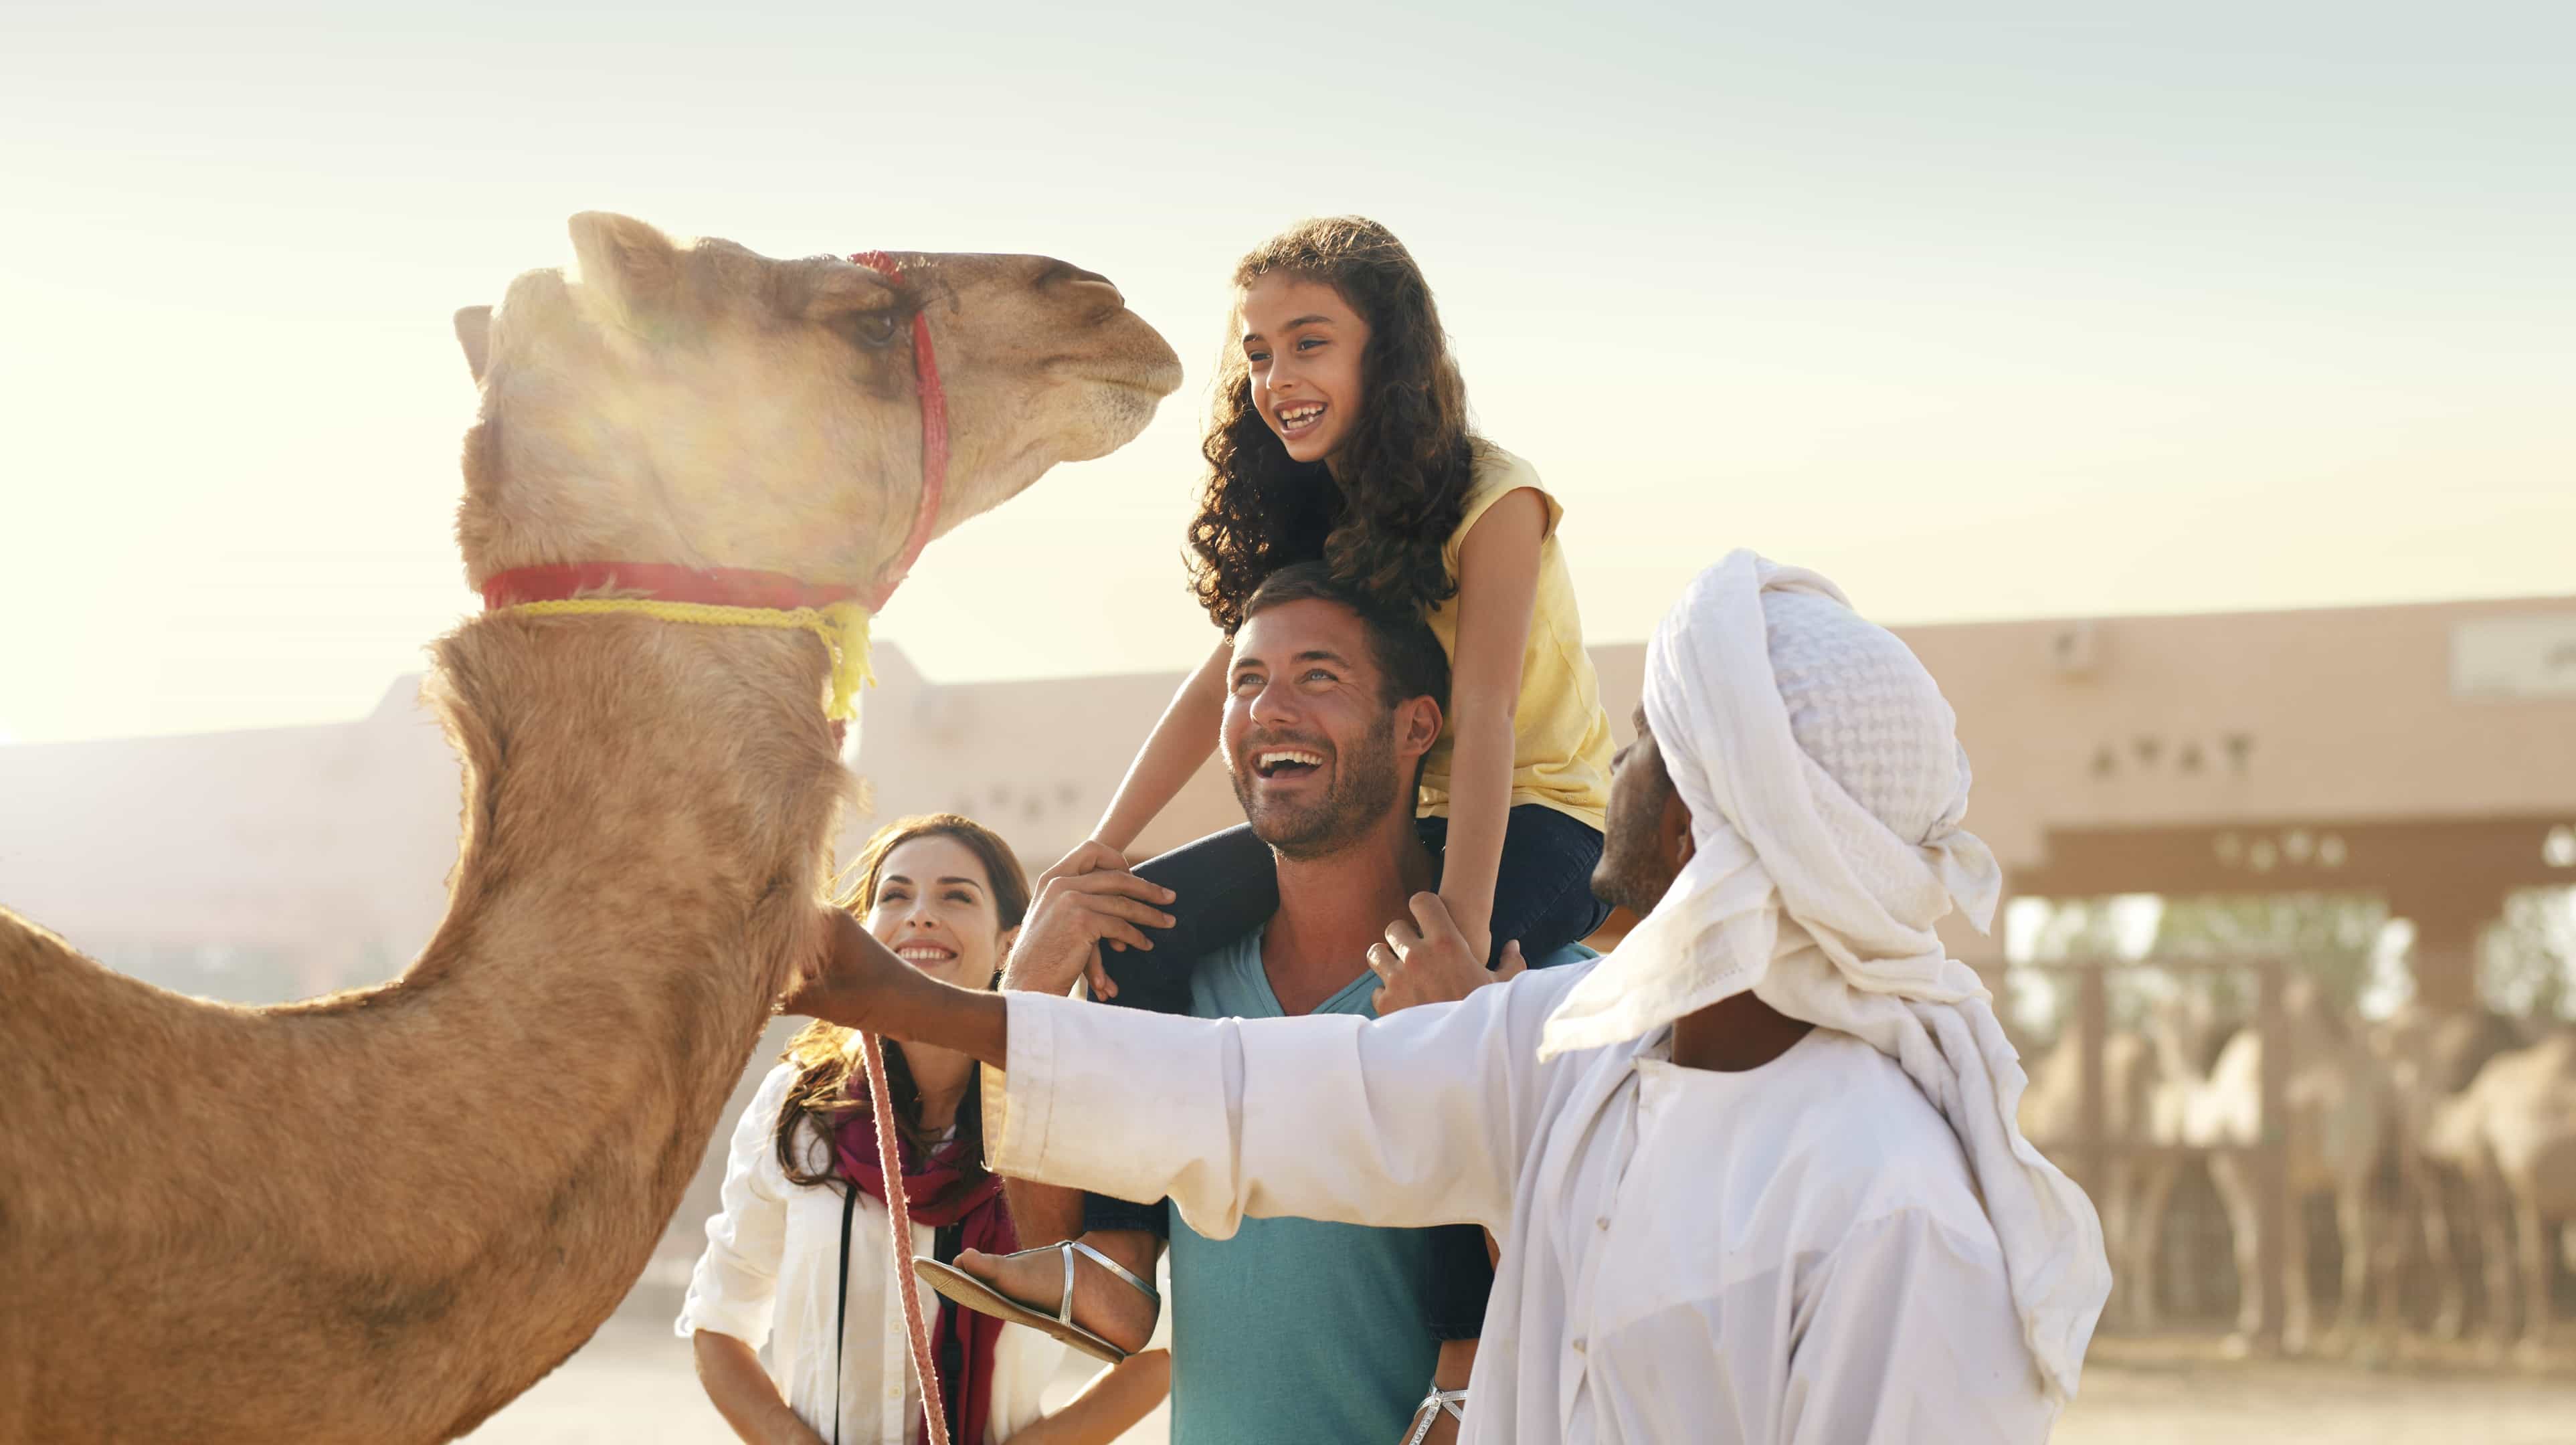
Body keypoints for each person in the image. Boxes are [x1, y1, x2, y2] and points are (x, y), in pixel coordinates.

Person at [789, 552, 2115, 1443]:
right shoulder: (1572, 1053)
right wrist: (890, 994)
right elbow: (1249, 1094)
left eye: (1652, 747)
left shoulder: (1889, 1207)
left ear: (1697, 840)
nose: (1614, 766)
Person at [1033, 216, 1619, 1397]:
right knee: (1134, 920)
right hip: (1386, 796)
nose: (1278, 380)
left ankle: (1463, 1354)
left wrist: (1449, 928)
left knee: (1443, 1027)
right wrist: (1103, 847)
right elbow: (1217, 689)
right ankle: (1112, 1254)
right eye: (1256, 354)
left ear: (1387, 354)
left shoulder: (1498, 497)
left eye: (1310, 344)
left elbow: (1493, 714)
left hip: (1529, 809)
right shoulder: (1314, 511)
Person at [915, 567, 1596, 1445]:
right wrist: (1032, 997)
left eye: (1319, 676)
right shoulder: (1168, 990)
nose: (1270, 708)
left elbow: (1595, 1316)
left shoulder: (1541, 998)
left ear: (1416, 724)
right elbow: (1061, 1234)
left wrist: (1481, 1074)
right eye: (1246, 681)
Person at [681, 815, 1168, 1445]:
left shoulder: (1064, 1119)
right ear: (864, 936)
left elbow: (1161, 1347)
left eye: (956, 896)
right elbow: (719, 1322)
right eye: (895, 895)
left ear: (1008, 948)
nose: (919, 916)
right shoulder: (796, 1108)